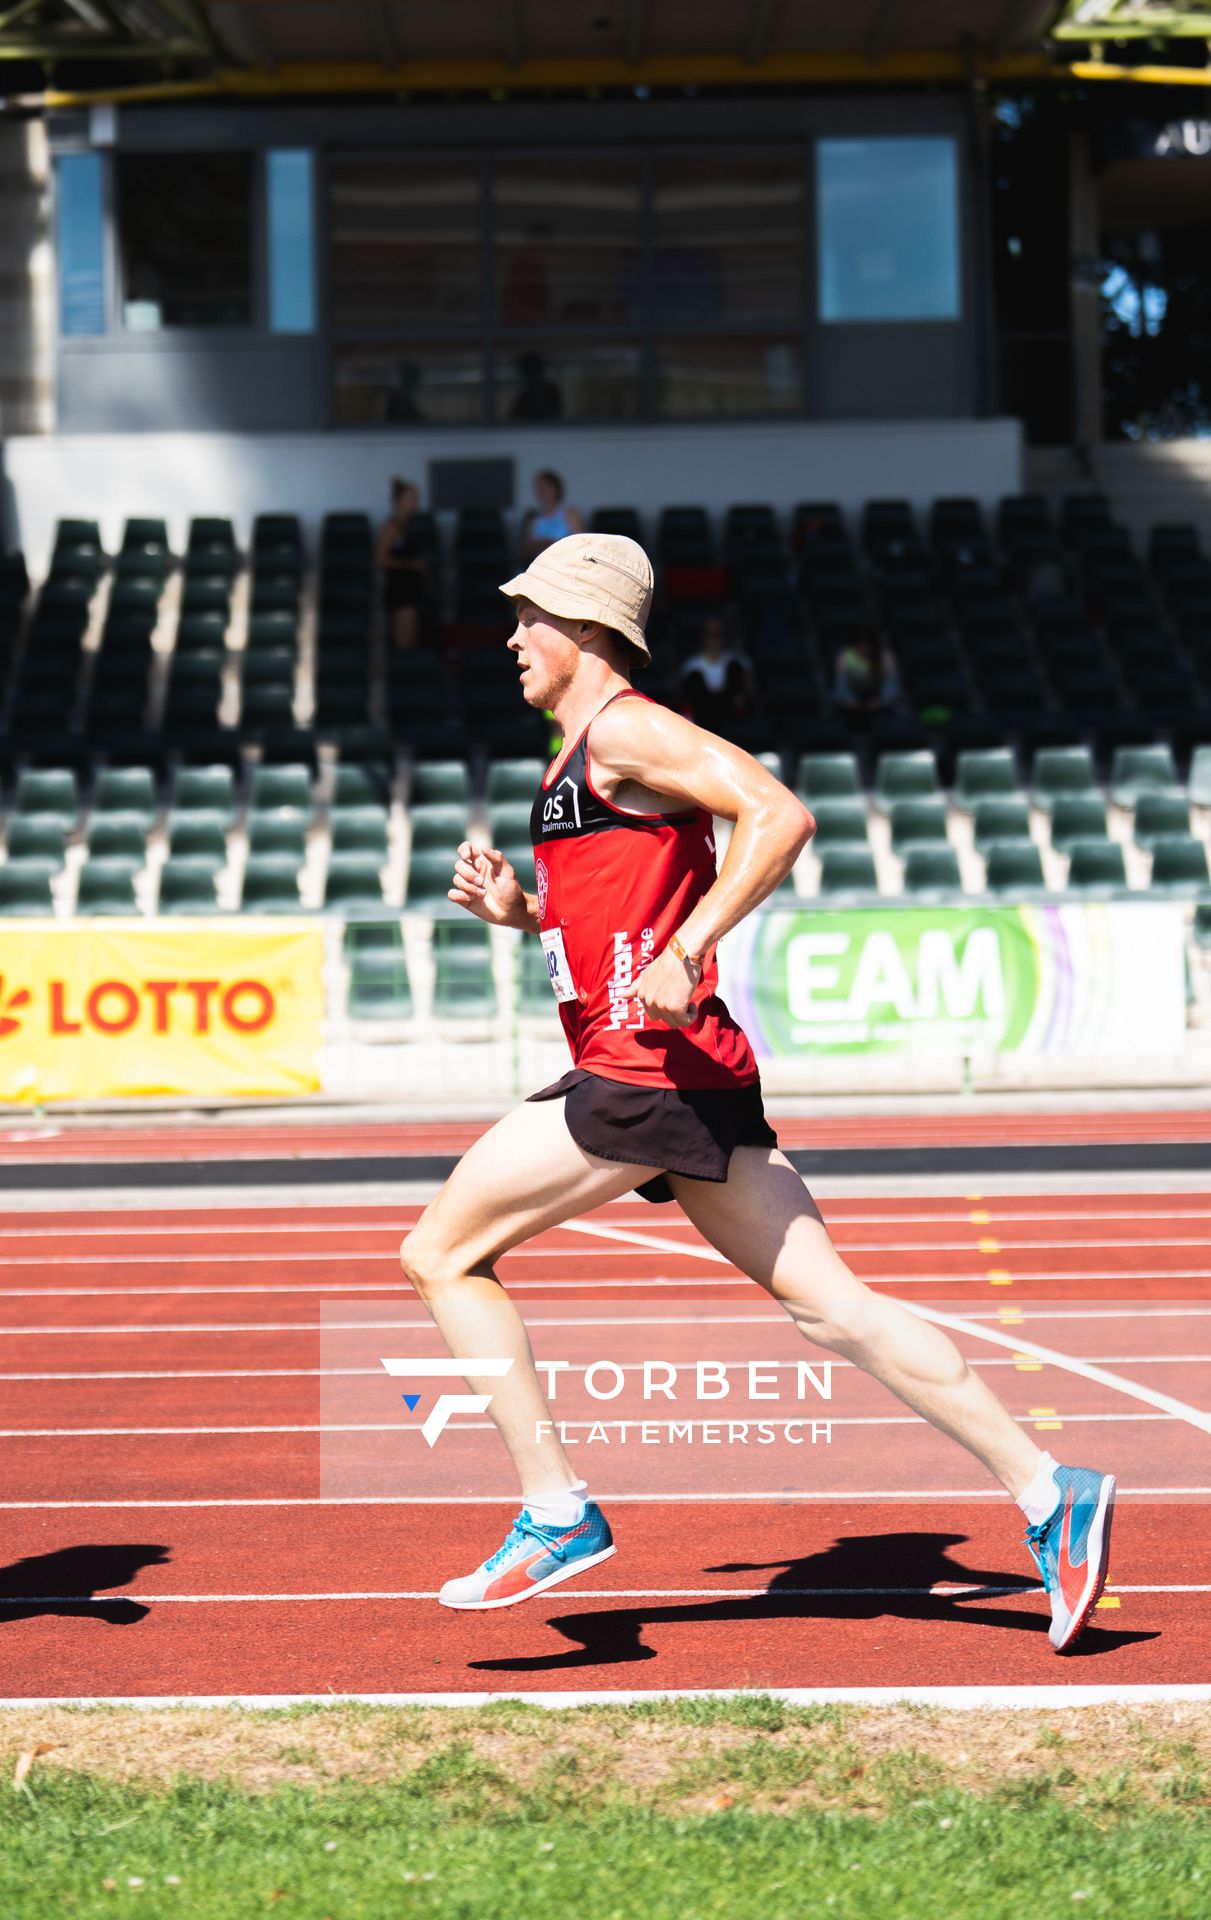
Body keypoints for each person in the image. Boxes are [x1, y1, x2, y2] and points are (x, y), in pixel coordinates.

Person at [400, 531, 1115, 1653]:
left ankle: (555, 1512)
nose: (510, 637)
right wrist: (523, 916)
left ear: (584, 628)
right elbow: (613, 902)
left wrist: (690, 943)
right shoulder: (579, 754)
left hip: (642, 1067)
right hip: (687, 1070)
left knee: (439, 1254)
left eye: (528, 617)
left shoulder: (626, 726)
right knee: (831, 1307)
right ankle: (1048, 1488)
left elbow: (776, 813)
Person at [376, 478, 432, 652]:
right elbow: (380, 558)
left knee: (414, 642)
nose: (415, 503)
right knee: (404, 646)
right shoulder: (391, 527)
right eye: (411, 499)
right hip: (401, 592)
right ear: (399, 501)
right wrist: (412, 565)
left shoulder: (406, 526)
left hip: (412, 591)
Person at [681, 610, 756, 736]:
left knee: (734, 667)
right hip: (705, 719)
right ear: (702, 636)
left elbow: (750, 695)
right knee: (695, 676)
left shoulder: (739, 662)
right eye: (710, 634)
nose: (715, 639)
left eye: (719, 634)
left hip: (734, 717)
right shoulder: (691, 667)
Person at [520, 469, 583, 561]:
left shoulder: (570, 514)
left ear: (556, 490)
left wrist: (552, 544)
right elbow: (524, 552)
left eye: (544, 490)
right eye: (538, 490)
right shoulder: (534, 520)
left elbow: (581, 545)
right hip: (540, 566)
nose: (541, 494)